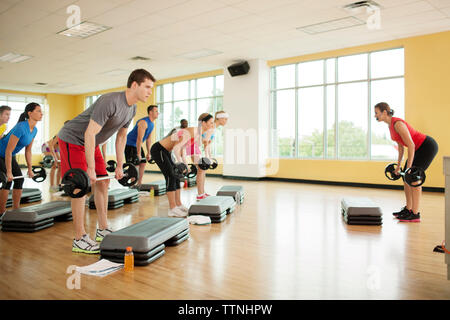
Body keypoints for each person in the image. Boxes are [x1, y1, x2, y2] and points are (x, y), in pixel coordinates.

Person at [58, 69, 156, 254]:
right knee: (80, 187)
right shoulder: (110, 101)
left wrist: (120, 164)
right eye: (147, 87)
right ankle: (79, 238)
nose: (150, 92)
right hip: (73, 139)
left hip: (92, 142)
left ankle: (102, 228)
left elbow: (121, 138)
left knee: (103, 183)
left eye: (151, 88)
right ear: (134, 85)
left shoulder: (132, 108)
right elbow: (89, 132)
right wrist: (91, 168)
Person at [374, 102, 438, 222]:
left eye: (376, 113)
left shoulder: (397, 123)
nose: (375, 116)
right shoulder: (390, 126)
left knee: (414, 177)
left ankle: (415, 213)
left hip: (427, 146)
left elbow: (411, 145)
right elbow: (401, 147)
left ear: (384, 112)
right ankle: (408, 209)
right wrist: (399, 167)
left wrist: (409, 168)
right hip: (417, 148)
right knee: (405, 176)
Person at [150, 114, 214, 217]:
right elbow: (176, 148)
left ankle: (178, 205)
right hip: (159, 150)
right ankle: (172, 208)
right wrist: (179, 163)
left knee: (177, 176)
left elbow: (183, 149)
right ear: (203, 123)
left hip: (167, 151)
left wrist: (185, 164)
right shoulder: (193, 131)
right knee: (170, 176)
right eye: (211, 122)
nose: (212, 125)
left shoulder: (198, 134)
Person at [0, 103, 42, 218]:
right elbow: (8, 150)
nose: (41, 113)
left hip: (10, 155)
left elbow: (28, 151)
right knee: (7, 181)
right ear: (30, 113)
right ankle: (1, 212)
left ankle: (15, 210)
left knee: (19, 180)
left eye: (41, 111)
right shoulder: (21, 127)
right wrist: (8, 172)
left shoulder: (34, 130)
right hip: (1, 153)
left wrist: (29, 169)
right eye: (38, 111)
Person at [192, 111, 229, 200]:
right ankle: (200, 194)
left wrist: (209, 157)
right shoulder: (212, 127)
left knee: (202, 170)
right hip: (193, 145)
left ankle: (202, 193)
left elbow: (207, 143)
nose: (226, 121)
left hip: (196, 146)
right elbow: (205, 142)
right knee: (201, 170)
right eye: (225, 119)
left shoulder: (213, 127)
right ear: (219, 118)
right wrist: (208, 157)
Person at [125, 105, 159, 187]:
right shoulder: (143, 122)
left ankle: (139, 183)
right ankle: (133, 185)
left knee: (143, 163)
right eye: (156, 111)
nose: (158, 113)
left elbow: (148, 139)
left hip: (137, 145)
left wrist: (149, 153)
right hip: (129, 144)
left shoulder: (151, 124)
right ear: (150, 112)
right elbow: (139, 139)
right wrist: (138, 154)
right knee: (135, 165)